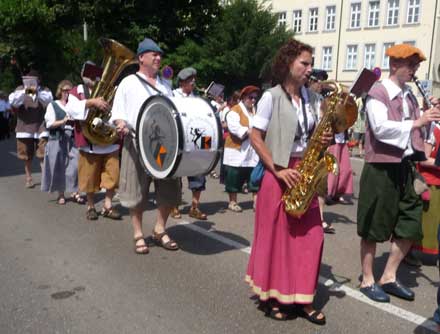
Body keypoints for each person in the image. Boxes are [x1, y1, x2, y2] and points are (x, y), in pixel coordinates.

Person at [246, 38, 331, 325]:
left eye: (311, 64)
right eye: (304, 63)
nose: (310, 69)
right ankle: (273, 296)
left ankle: (303, 298)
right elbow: (255, 137)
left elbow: (314, 137)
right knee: (279, 240)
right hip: (279, 173)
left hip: (305, 171)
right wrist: (277, 170)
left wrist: (325, 140)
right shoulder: (271, 96)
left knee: (312, 237)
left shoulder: (314, 99)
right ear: (288, 63)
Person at [357, 44, 440, 303]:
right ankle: (367, 278)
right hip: (381, 167)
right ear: (394, 65)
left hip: (405, 167)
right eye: (411, 66)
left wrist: (431, 116)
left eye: (416, 66)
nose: (415, 71)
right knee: (373, 226)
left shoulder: (410, 96)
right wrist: (418, 121)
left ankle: (389, 276)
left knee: (410, 223)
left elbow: (421, 134)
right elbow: (380, 129)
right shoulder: (377, 92)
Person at [111, 37, 180, 254]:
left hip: (162, 147)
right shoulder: (128, 83)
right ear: (142, 57)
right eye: (154, 54)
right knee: (135, 189)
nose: (159, 57)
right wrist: (120, 123)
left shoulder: (165, 86)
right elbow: (118, 113)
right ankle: (138, 233)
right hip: (135, 142)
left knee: (169, 188)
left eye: (160, 54)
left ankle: (160, 229)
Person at [66, 61, 121, 220]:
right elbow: (71, 110)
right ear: (83, 75)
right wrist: (91, 102)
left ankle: (108, 205)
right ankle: (90, 206)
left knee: (112, 175)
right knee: (89, 177)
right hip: (88, 141)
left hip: (108, 141)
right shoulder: (77, 90)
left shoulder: (109, 90)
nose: (91, 77)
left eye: (94, 73)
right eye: (88, 74)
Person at [171, 67, 208, 220]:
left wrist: (206, 147)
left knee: (199, 173)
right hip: (177, 138)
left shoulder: (198, 99)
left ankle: (194, 207)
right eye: (190, 80)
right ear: (182, 82)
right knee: (175, 174)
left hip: (196, 138)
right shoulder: (172, 95)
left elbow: (205, 120)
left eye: (194, 80)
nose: (193, 82)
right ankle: (173, 206)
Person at [41, 80, 83, 204]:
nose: (67, 93)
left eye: (70, 91)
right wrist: (63, 121)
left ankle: (75, 191)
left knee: (75, 164)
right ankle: (61, 194)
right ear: (60, 91)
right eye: (65, 90)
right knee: (58, 166)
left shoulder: (75, 105)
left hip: (72, 138)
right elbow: (49, 124)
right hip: (57, 138)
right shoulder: (53, 105)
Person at [9, 70, 53, 188]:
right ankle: (29, 177)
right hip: (24, 128)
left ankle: (45, 178)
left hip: (41, 126)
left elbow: (48, 101)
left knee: (43, 153)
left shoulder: (44, 90)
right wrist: (26, 90)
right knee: (26, 155)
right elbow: (13, 101)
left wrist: (36, 91)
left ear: (38, 80)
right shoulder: (20, 89)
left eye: (34, 79)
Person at [223, 85, 260, 212]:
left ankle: (256, 202)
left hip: (252, 150)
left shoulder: (256, 111)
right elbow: (234, 128)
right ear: (244, 98)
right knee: (234, 176)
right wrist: (249, 131)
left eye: (255, 98)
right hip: (237, 150)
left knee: (254, 176)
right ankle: (232, 201)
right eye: (251, 97)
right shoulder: (234, 111)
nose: (253, 100)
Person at [307, 70, 335, 234]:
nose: (321, 85)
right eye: (318, 82)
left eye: (323, 82)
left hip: (321, 149)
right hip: (305, 148)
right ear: (311, 81)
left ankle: (320, 218)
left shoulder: (323, 101)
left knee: (321, 185)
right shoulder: (304, 99)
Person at [326, 130, 354, 204]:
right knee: (333, 168)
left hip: (342, 141)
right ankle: (329, 193)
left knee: (345, 169)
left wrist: (347, 139)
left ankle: (339, 192)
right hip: (332, 142)